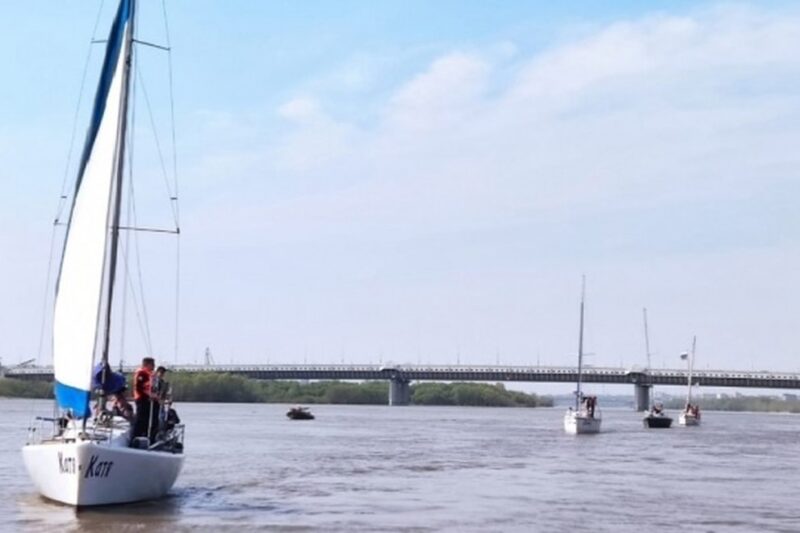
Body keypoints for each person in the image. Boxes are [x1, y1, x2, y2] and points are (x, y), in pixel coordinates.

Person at [133, 357, 155, 441]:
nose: (153, 366)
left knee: (146, 418)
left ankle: (144, 435)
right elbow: (138, 387)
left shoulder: (148, 374)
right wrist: (149, 394)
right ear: (147, 364)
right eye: (152, 364)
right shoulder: (141, 373)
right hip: (141, 398)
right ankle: (136, 436)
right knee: (140, 418)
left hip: (146, 399)